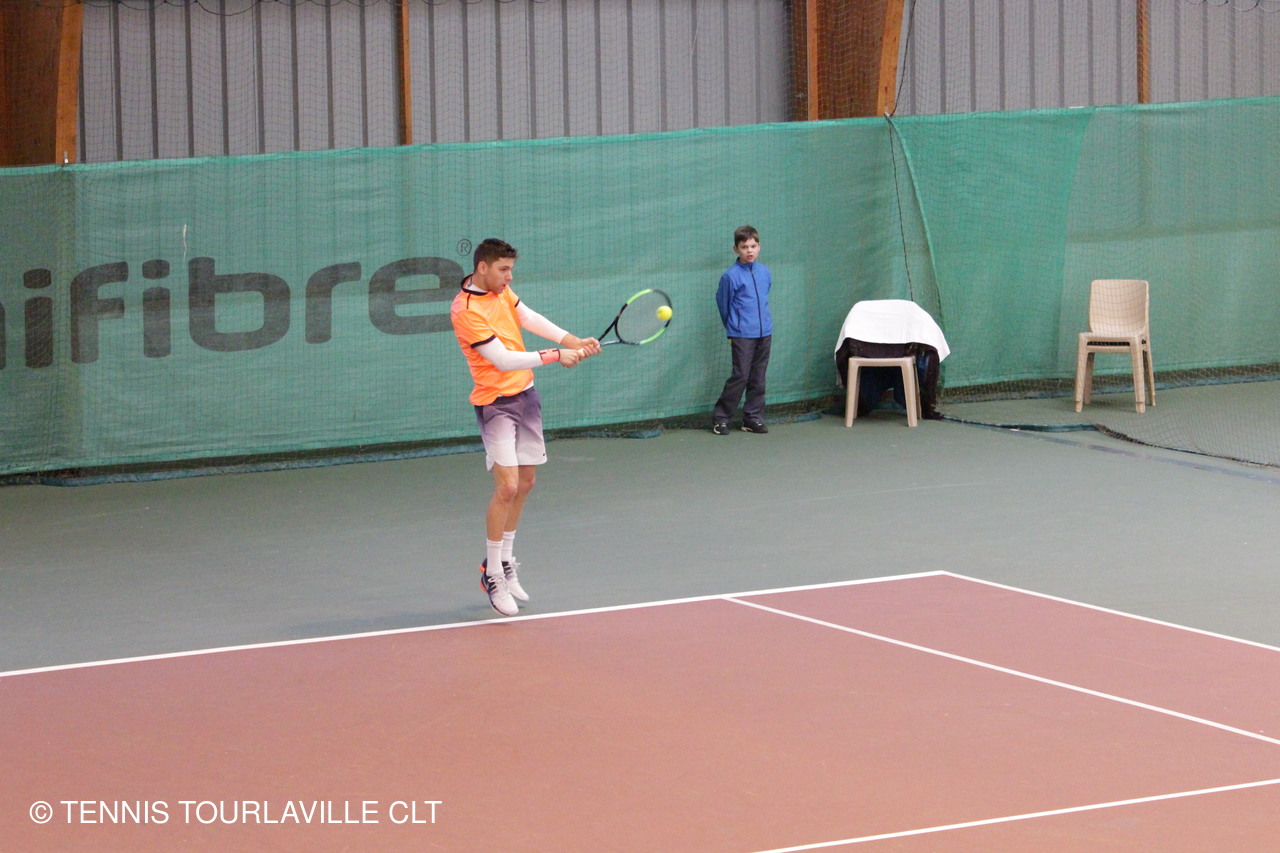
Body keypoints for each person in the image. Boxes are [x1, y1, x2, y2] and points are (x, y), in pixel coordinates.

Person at [450, 238, 600, 616]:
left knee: (527, 482)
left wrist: (572, 340)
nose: (509, 277)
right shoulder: (465, 310)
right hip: (496, 404)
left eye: (511, 269)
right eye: (503, 269)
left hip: (526, 394)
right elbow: (501, 360)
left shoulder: (501, 290)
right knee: (507, 487)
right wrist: (556, 354)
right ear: (482, 267)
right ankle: (492, 574)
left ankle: (504, 562)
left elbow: (528, 317)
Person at [712, 225, 773, 435]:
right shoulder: (730, 276)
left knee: (758, 377)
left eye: (753, 246)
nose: (749, 251)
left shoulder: (765, 272)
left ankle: (752, 418)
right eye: (744, 247)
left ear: (759, 247)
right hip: (741, 335)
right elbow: (723, 305)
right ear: (736, 249)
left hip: (765, 333)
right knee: (741, 376)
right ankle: (721, 419)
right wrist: (734, 328)